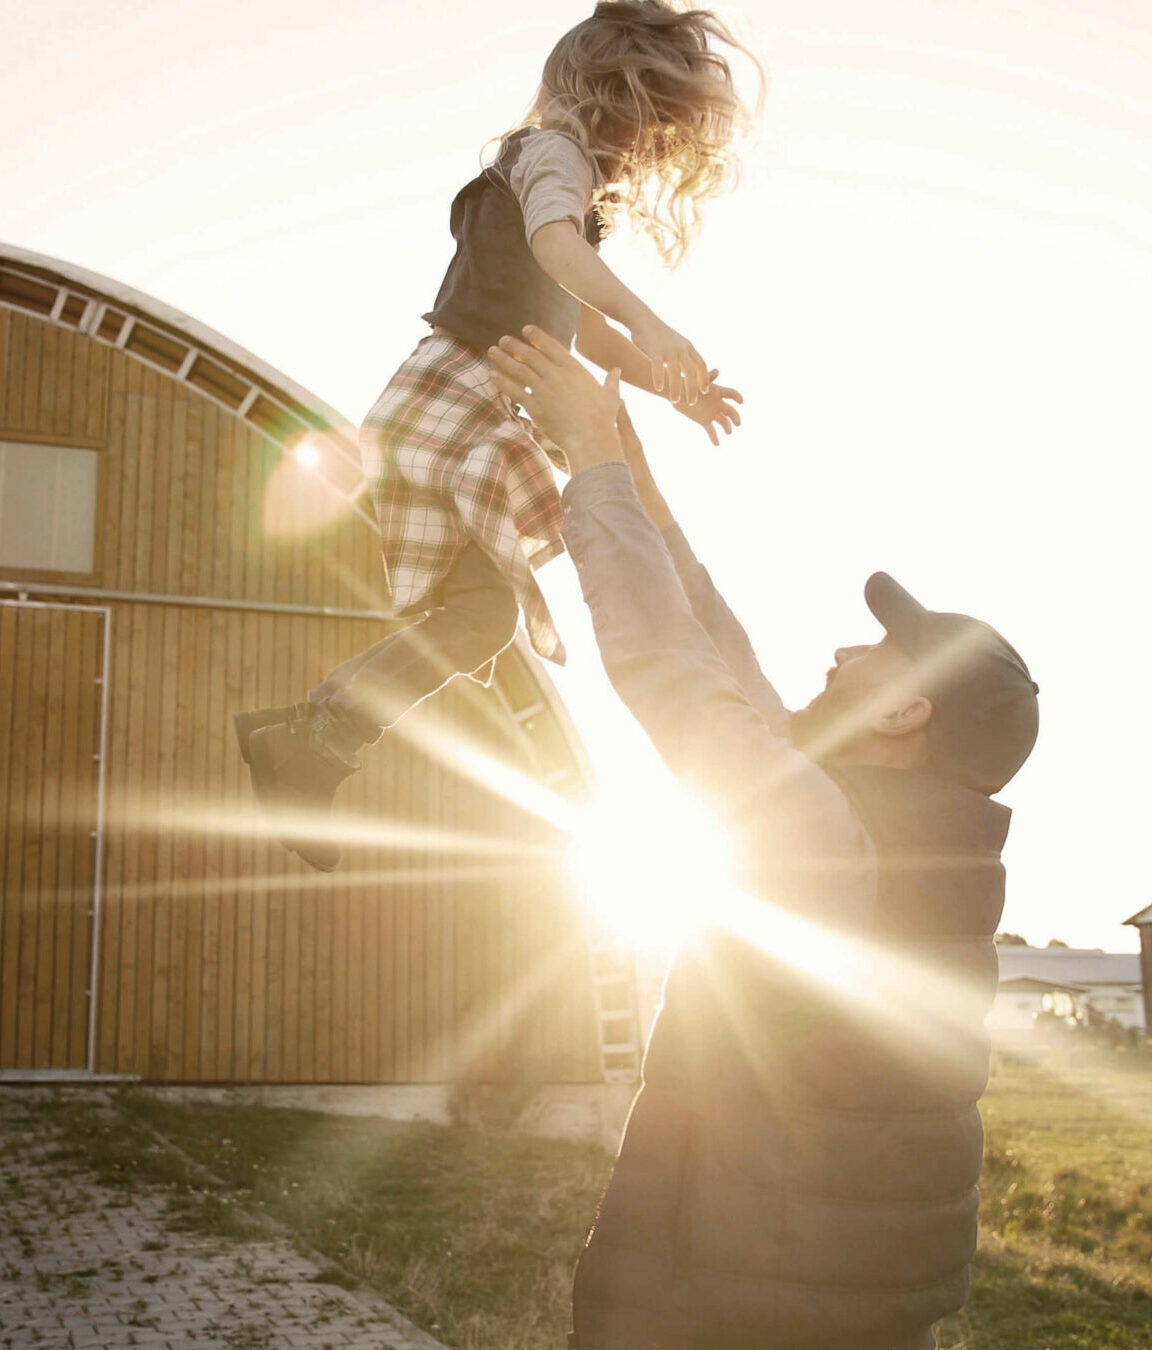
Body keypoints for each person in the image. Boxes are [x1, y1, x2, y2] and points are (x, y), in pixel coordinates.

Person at [485, 326, 1041, 1350]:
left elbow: (674, 671)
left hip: (734, 1312)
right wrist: (630, 480)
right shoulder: (891, 848)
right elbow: (718, 651)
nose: (843, 650)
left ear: (906, 713)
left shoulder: (830, 843)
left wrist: (596, 466)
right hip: (811, 1304)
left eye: (879, 650)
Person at [235, 1, 758, 870]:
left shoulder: (560, 179)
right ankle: (310, 738)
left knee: (479, 616)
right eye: (645, 121)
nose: (645, 146)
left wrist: (675, 389)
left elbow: (583, 326)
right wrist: (654, 321)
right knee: (485, 614)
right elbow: (555, 248)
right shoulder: (551, 157)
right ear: (605, 98)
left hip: (462, 403)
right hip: (454, 400)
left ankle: (307, 737)